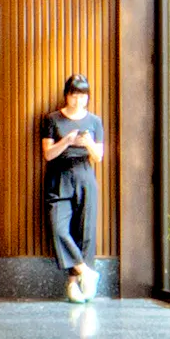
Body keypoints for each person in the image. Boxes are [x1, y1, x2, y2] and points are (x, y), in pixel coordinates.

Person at [41, 76, 106, 303]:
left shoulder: (95, 121)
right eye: (74, 95)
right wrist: (67, 141)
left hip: (85, 176)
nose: (79, 100)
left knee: (85, 232)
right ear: (66, 95)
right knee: (59, 228)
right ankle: (86, 272)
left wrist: (87, 143)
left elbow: (98, 156)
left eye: (83, 95)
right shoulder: (52, 119)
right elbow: (48, 154)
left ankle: (74, 284)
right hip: (58, 177)